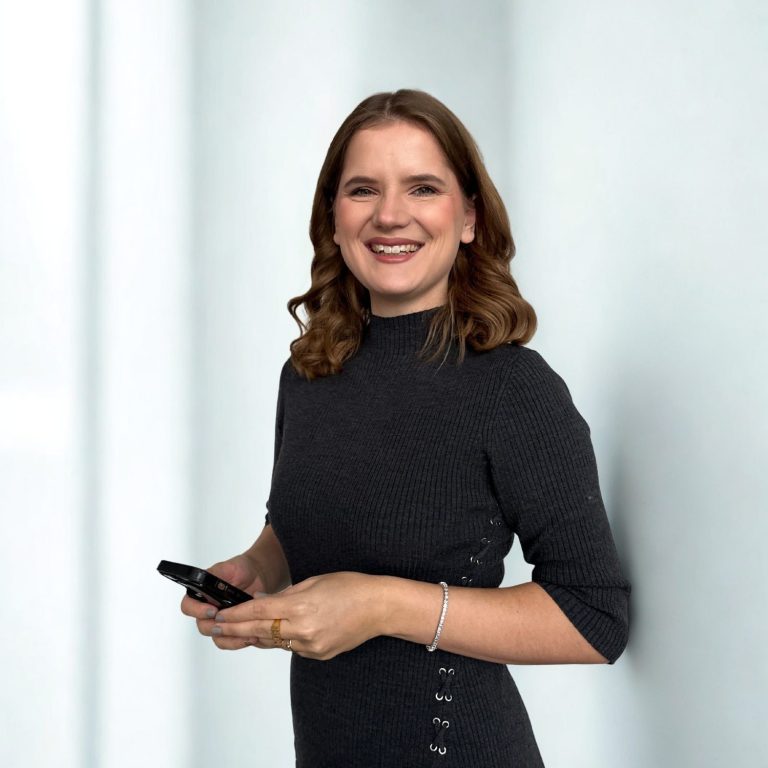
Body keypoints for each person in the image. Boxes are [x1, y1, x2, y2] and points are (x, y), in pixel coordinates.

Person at [181, 89, 630, 766]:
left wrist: (383, 606)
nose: (390, 214)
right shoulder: (308, 375)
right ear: (333, 219)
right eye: (363, 189)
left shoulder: (513, 389)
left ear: (469, 217)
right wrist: (257, 568)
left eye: (423, 187)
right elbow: (307, 524)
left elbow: (594, 618)